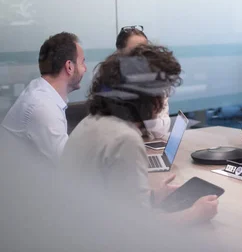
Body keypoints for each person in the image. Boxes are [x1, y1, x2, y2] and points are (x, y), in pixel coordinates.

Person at [60, 44, 218, 223]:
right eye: (162, 93)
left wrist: (152, 197)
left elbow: (118, 203)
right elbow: (139, 231)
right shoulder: (125, 139)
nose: (163, 100)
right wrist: (194, 214)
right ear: (147, 97)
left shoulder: (91, 122)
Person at [2, 32, 87, 165]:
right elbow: (70, 166)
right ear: (69, 67)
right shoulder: (43, 106)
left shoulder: (41, 92)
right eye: (82, 63)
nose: (85, 69)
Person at [116, 25, 170, 140]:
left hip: (148, 147)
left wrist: (151, 115)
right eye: (134, 51)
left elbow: (161, 132)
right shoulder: (110, 84)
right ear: (119, 54)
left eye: (144, 51)